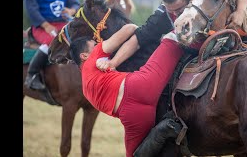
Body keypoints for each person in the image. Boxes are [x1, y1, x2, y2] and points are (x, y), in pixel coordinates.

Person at [69, 23, 184, 157]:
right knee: (172, 38)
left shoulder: (86, 90)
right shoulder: (94, 55)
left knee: (133, 154)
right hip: (138, 86)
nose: (98, 44)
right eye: (93, 45)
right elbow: (129, 28)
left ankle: (163, 131)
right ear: (84, 56)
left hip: (130, 115)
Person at [100, 0, 247, 71]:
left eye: (180, 9)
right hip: (194, 52)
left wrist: (240, 11)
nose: (178, 15)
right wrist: (113, 63)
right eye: (172, 11)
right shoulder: (161, 17)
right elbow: (137, 40)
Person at [24, 0, 80, 90]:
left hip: (64, 24)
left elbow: (75, 4)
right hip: (43, 26)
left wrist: (71, 11)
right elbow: (32, 9)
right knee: (54, 40)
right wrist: (46, 25)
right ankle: (32, 75)